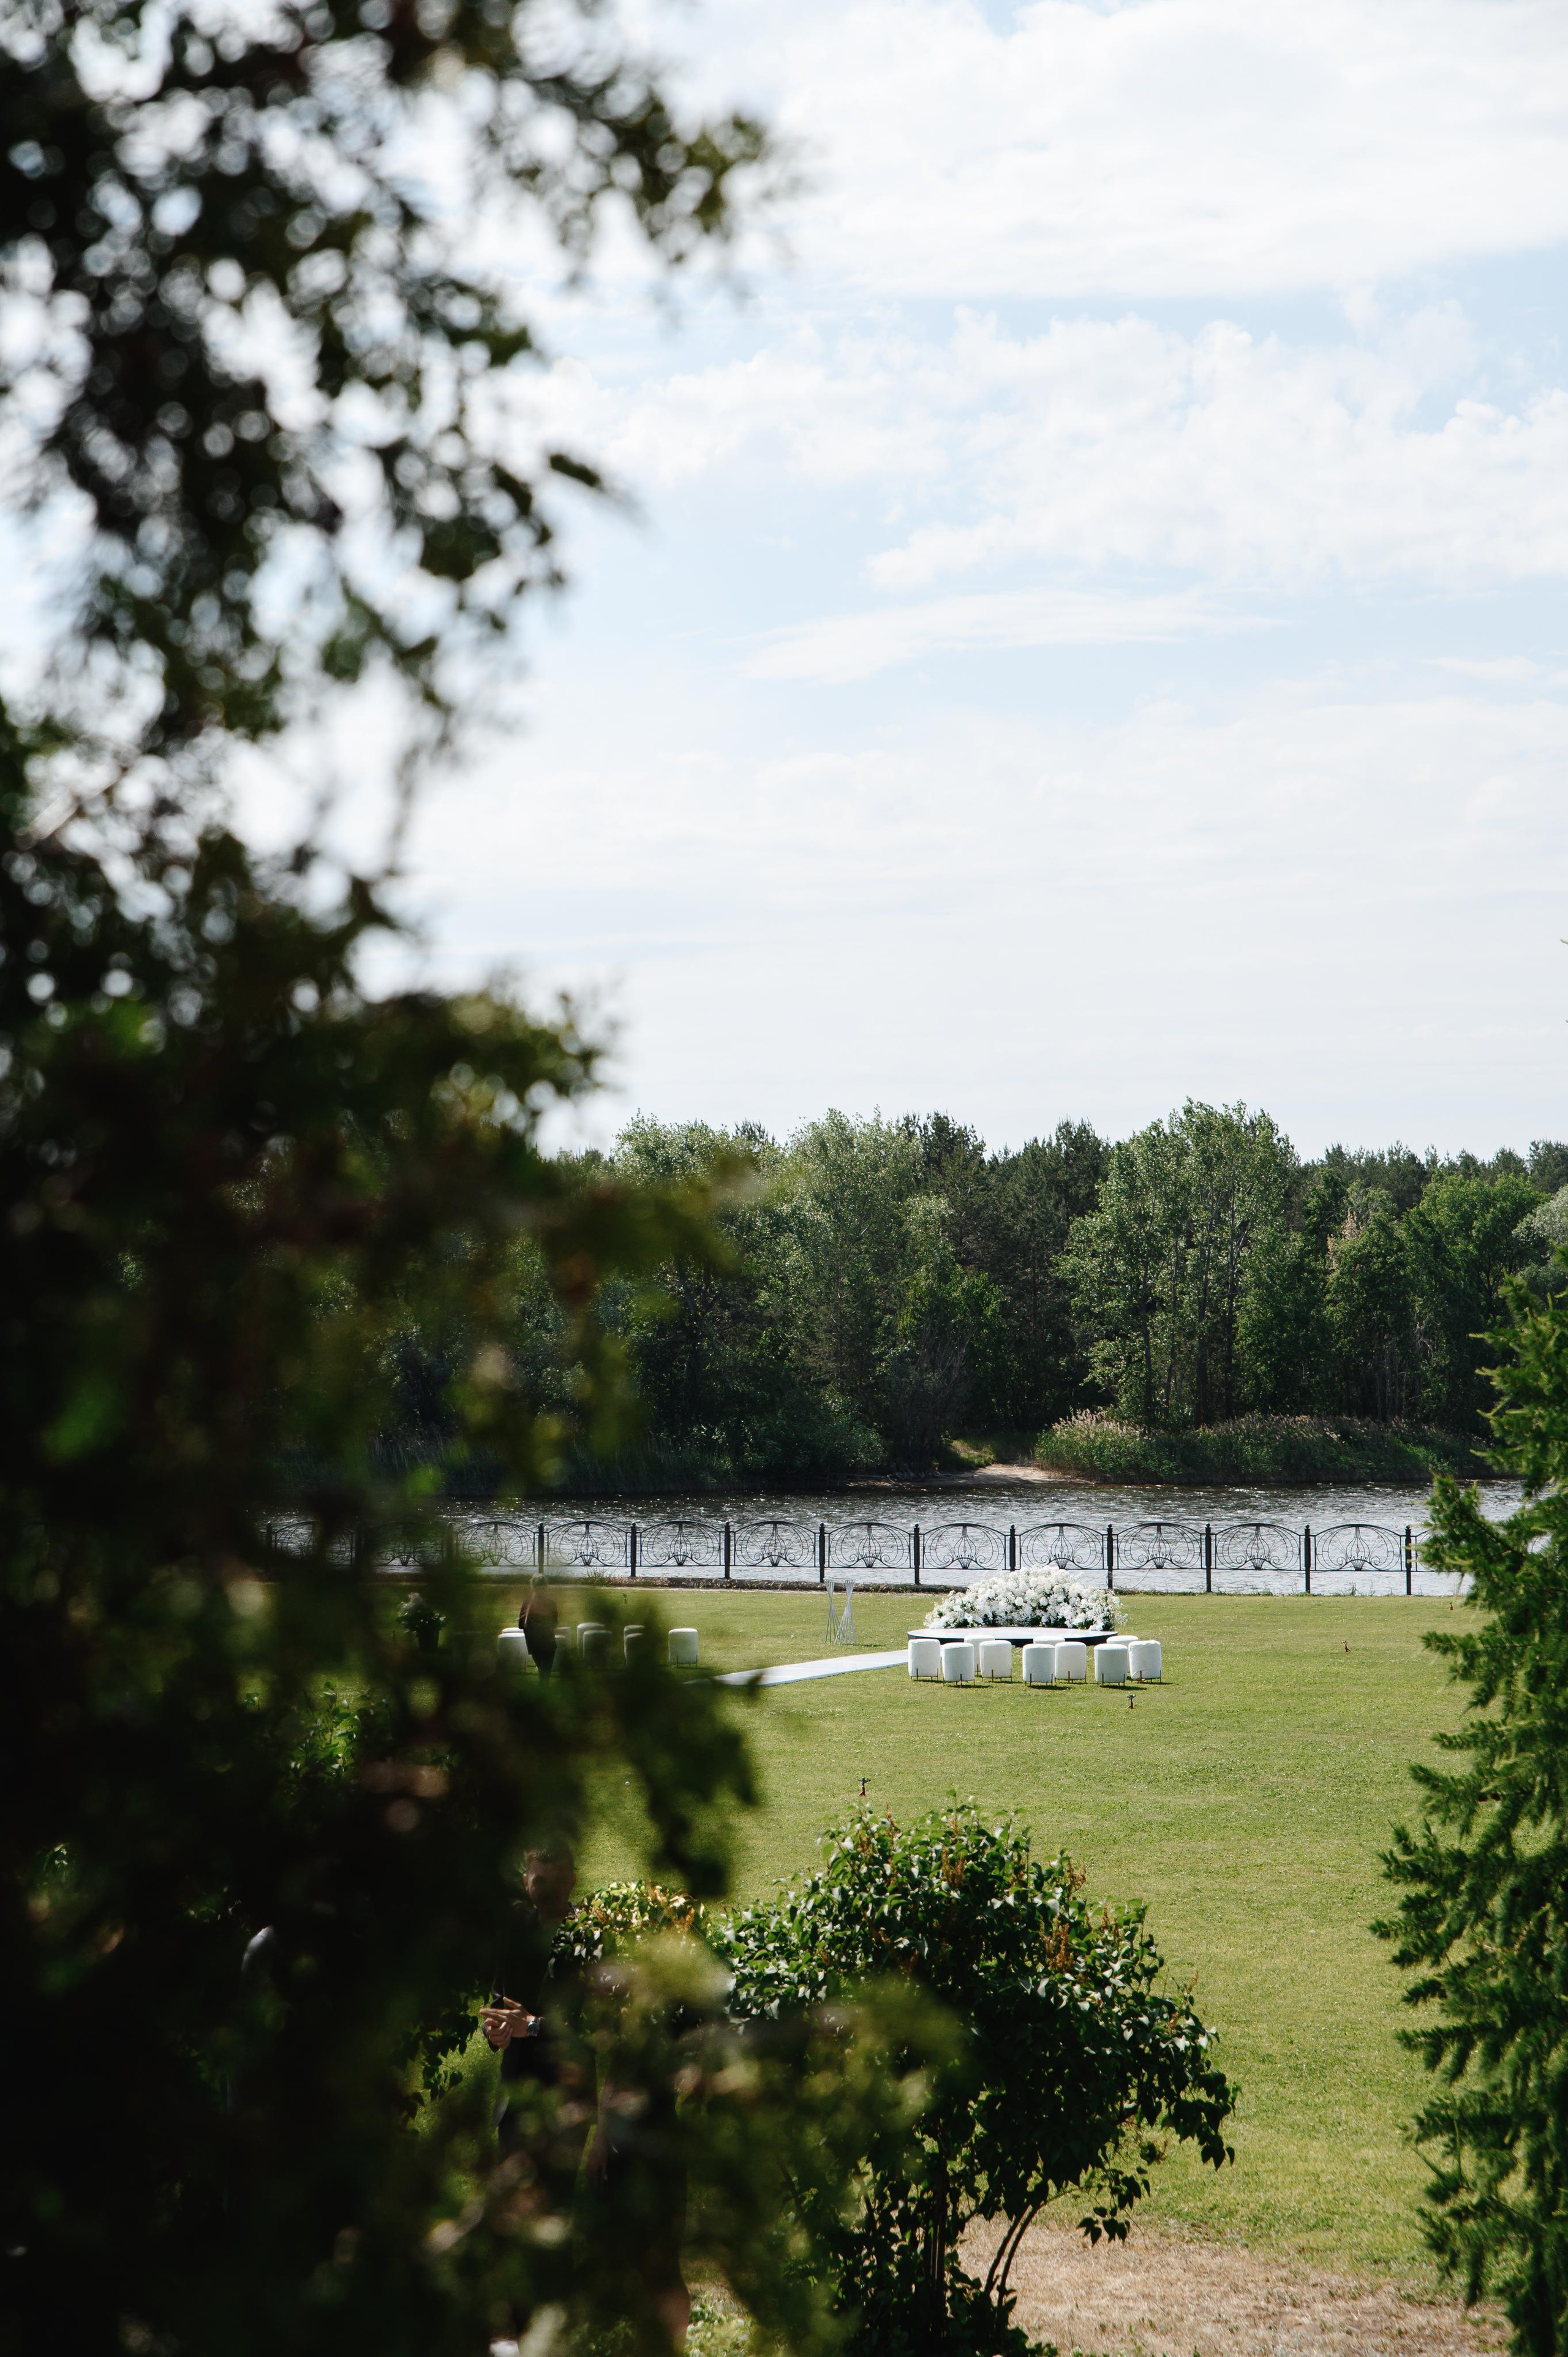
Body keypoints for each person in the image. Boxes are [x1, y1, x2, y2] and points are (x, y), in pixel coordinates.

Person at [517, 1580, 559, 1677]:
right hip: (549, 1643)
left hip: (534, 1645)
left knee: (542, 1673)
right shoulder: (551, 1604)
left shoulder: (527, 1603)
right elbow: (554, 1624)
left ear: (532, 1587)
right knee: (545, 1675)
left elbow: (521, 1625)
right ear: (546, 1587)